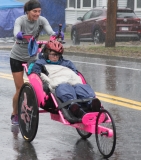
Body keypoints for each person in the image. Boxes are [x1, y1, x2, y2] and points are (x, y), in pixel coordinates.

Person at [10, 0, 64, 125]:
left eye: (39, 11)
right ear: (28, 11)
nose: (37, 14)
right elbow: (15, 32)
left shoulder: (42, 20)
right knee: (19, 88)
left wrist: (57, 34)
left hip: (32, 57)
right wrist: (19, 35)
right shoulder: (20, 20)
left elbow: (51, 32)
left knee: (37, 84)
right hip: (17, 57)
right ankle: (15, 114)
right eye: (35, 11)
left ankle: (38, 103)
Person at [29, 40, 102, 123]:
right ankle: (74, 107)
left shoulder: (67, 63)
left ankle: (92, 103)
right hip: (58, 82)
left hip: (72, 81)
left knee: (81, 87)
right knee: (64, 88)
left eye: (58, 55)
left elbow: (75, 73)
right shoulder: (40, 63)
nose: (55, 57)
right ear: (46, 53)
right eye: (53, 54)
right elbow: (35, 75)